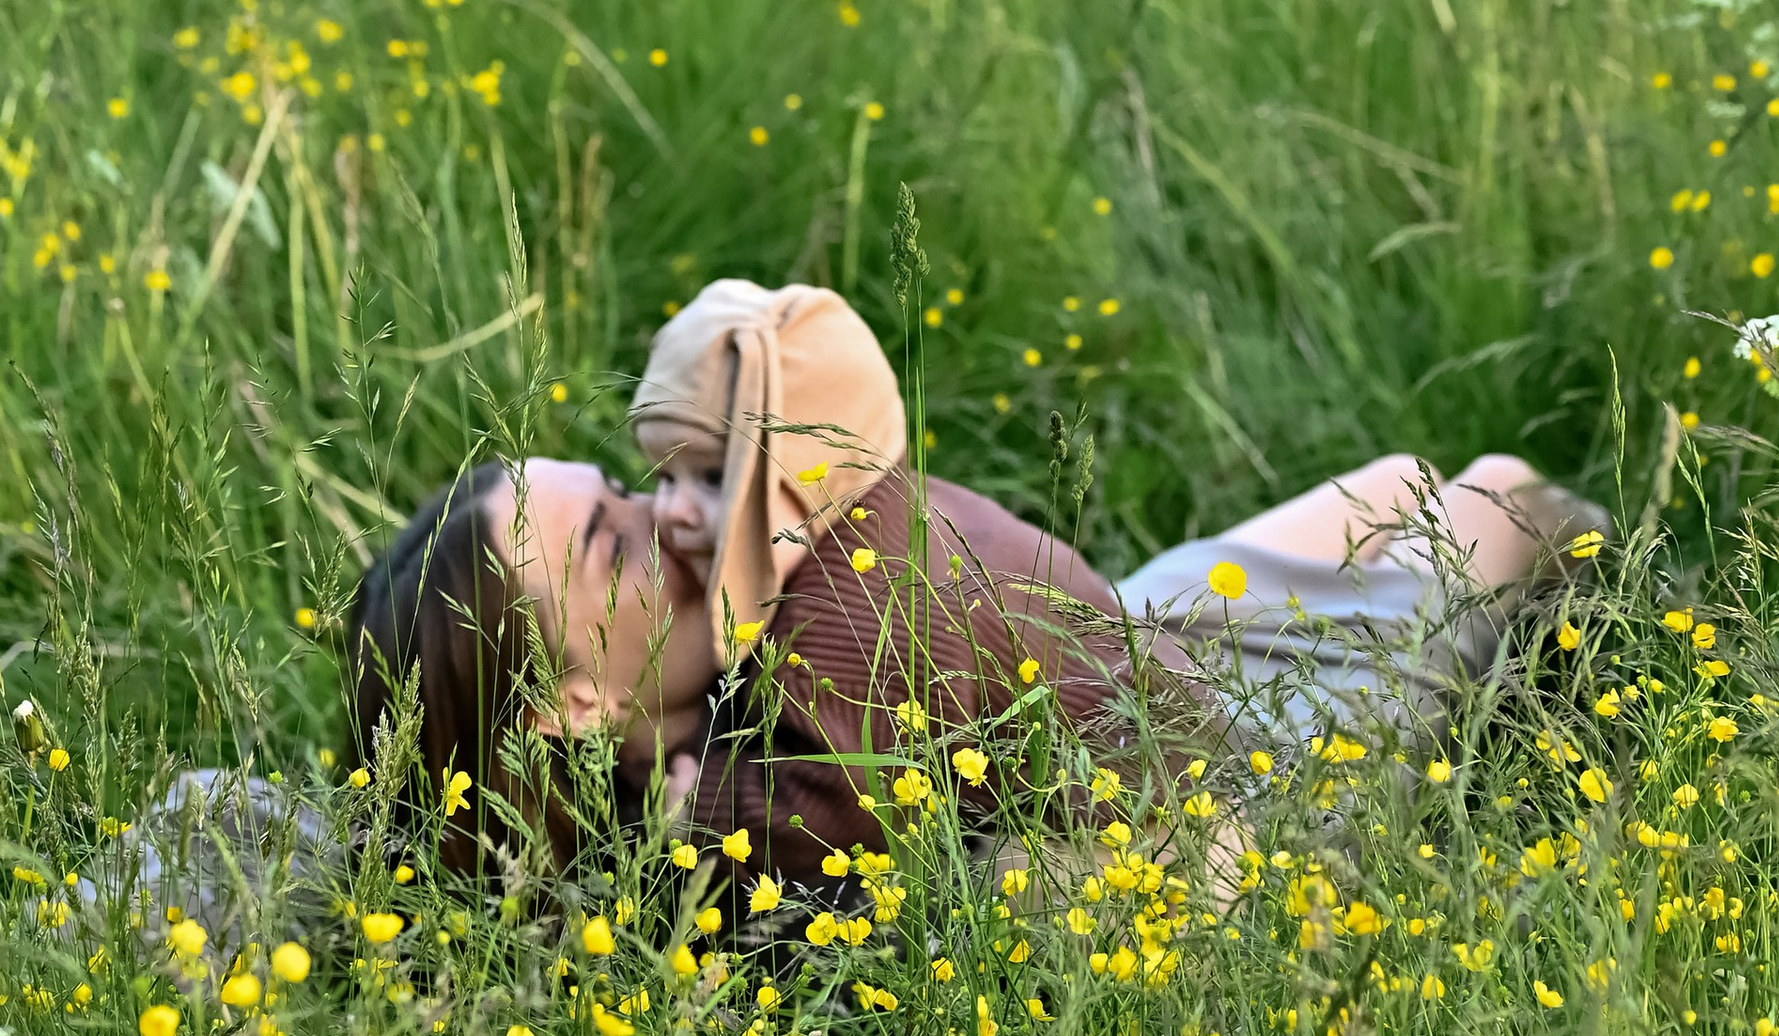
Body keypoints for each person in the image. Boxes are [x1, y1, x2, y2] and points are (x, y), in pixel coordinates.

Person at [346, 278, 1599, 895]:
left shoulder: (790, 613)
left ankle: (1501, 529)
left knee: (1400, 481)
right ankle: (1565, 563)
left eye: (629, 488)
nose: (675, 520)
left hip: (1095, 646)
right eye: (617, 547)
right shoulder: (725, 839)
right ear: (570, 706)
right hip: (1221, 778)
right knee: (1490, 504)